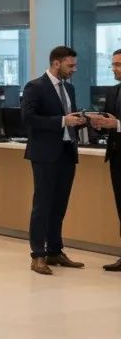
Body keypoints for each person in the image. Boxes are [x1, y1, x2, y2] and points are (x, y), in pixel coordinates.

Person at [22, 45, 88, 275]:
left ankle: (55, 250)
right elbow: (29, 118)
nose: (74, 69)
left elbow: (70, 117)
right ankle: (38, 255)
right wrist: (62, 121)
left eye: (75, 65)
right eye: (71, 65)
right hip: (45, 155)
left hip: (67, 153)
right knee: (42, 206)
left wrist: (82, 120)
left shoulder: (69, 89)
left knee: (59, 206)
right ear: (56, 63)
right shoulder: (35, 87)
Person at [89, 48, 121, 271]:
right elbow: (110, 119)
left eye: (118, 64)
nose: (114, 69)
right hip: (117, 156)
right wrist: (99, 124)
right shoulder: (113, 91)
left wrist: (117, 124)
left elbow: (117, 123)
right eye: (113, 64)